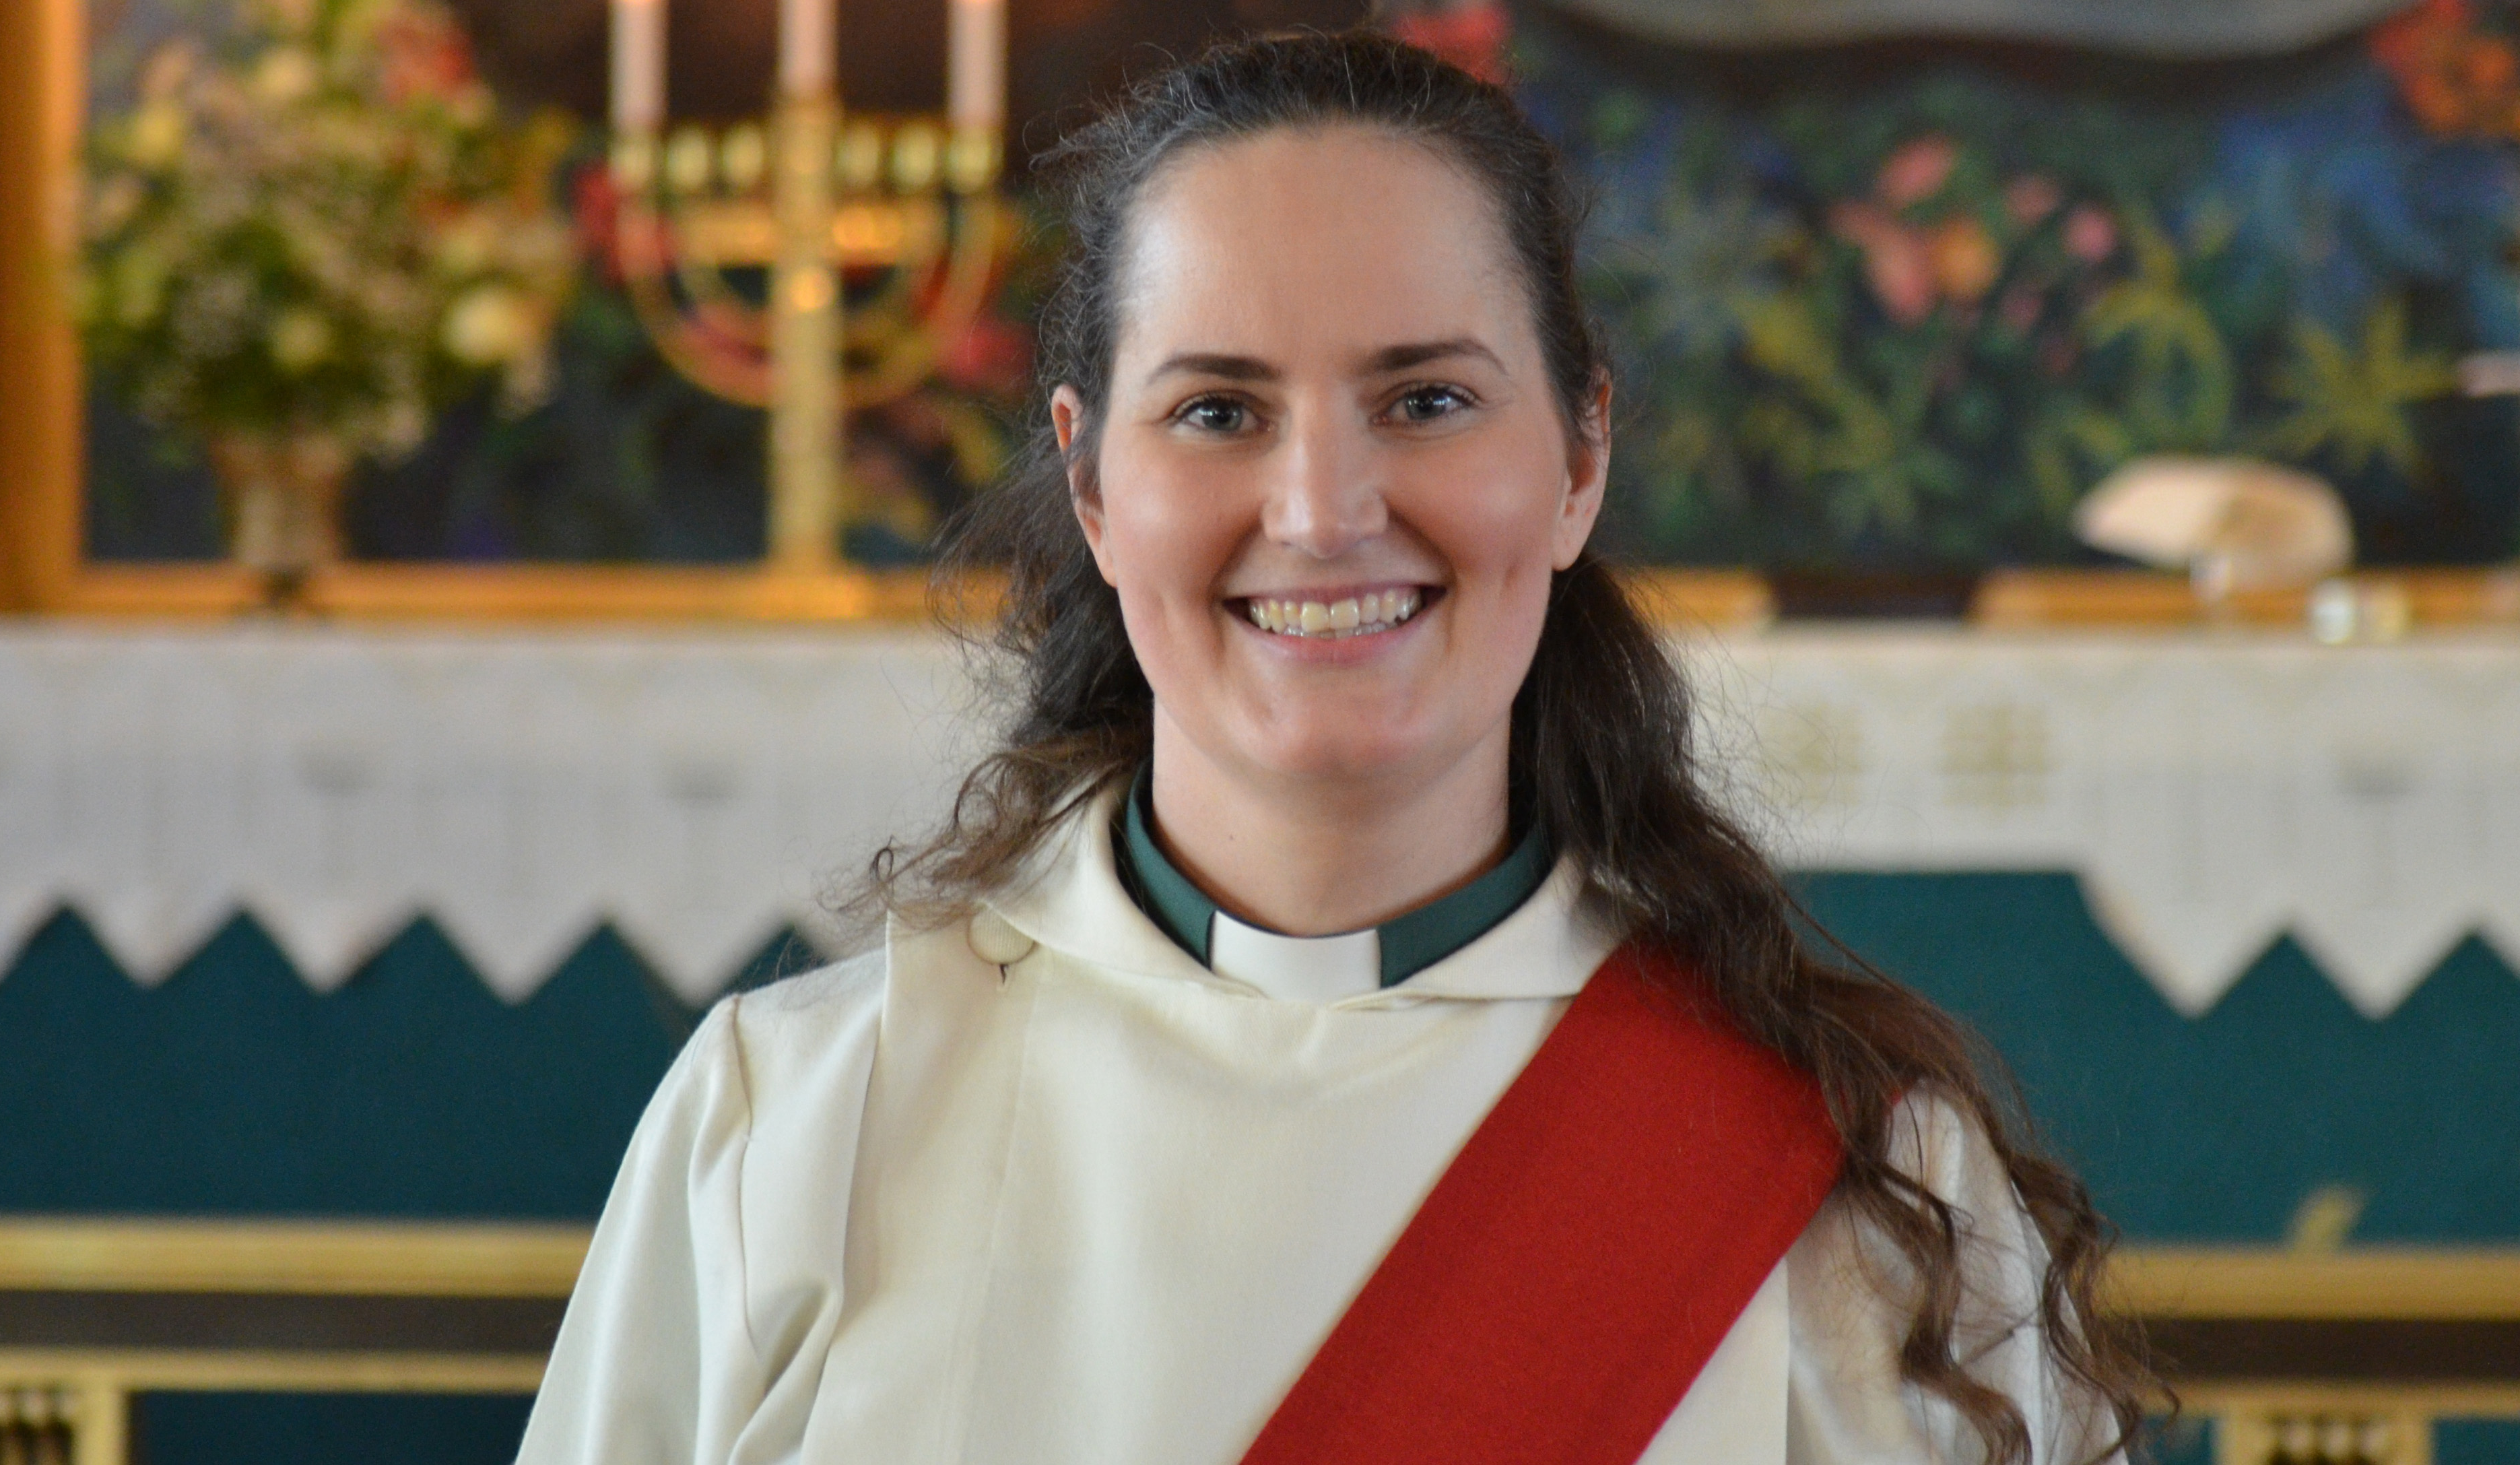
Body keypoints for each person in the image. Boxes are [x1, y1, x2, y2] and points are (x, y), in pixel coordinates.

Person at [518, 30, 2155, 1465]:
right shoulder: (801, 1125)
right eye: (1219, 410)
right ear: (1092, 484)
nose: (1320, 513)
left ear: (1580, 454)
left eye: (1427, 400)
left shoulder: (1858, 1180)